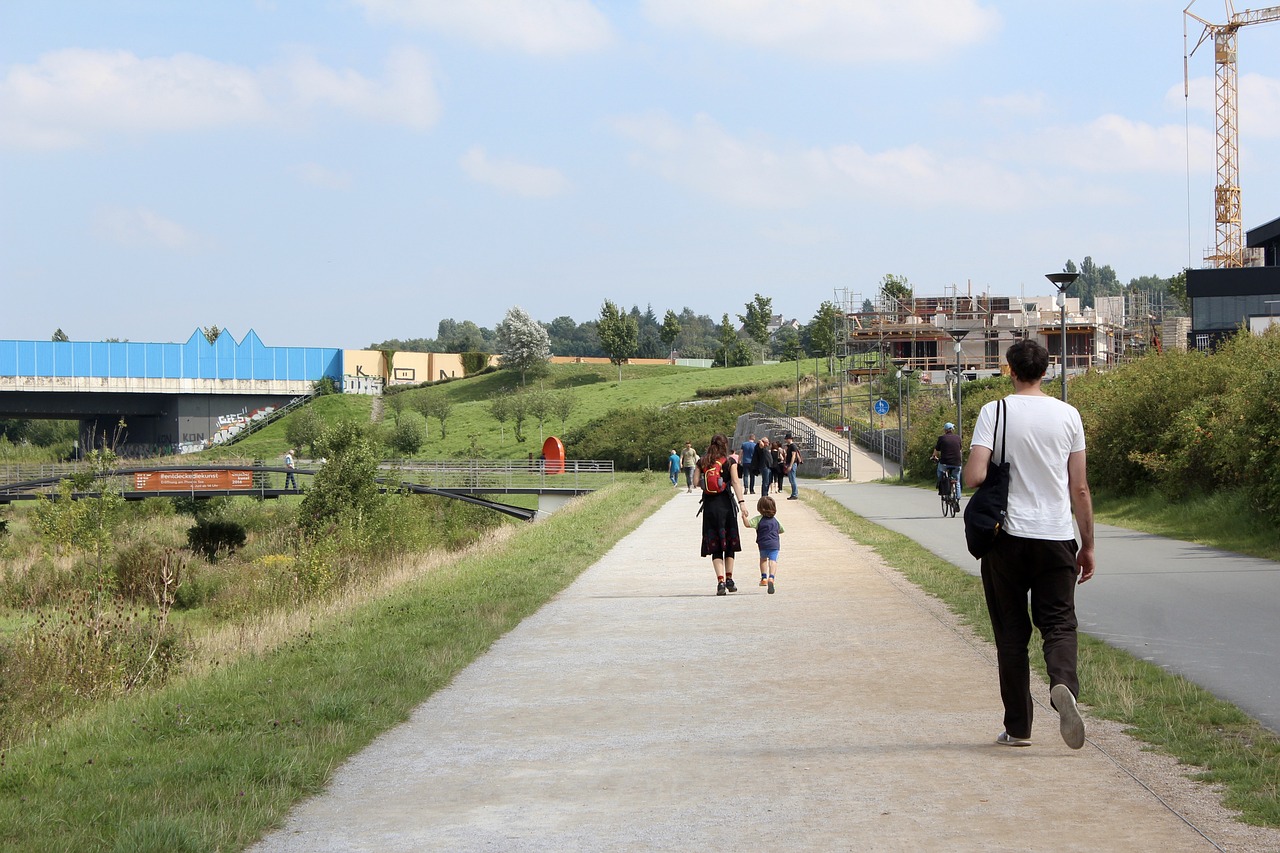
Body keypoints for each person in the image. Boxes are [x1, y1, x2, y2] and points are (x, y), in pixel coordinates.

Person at [962, 338, 1095, 750]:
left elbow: (974, 476)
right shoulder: (1069, 415)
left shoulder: (995, 412)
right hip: (1056, 536)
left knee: (1012, 633)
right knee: (1058, 623)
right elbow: (1080, 488)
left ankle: (1018, 727)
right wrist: (1087, 545)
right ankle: (1062, 684)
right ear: (1047, 369)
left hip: (1007, 537)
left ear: (1010, 369)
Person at [694, 433, 751, 596]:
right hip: (726, 506)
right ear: (725, 445)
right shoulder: (730, 462)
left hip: (710, 507)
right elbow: (735, 482)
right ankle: (730, 579)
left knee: (716, 546)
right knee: (729, 544)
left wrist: (708, 481)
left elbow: (695, 482)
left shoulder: (702, 462)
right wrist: (742, 503)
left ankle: (720, 582)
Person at [745, 495, 785, 594]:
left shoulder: (758, 519)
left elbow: (747, 524)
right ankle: (771, 578)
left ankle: (764, 578)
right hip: (774, 544)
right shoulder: (776, 520)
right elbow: (781, 530)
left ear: (759, 508)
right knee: (773, 560)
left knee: (763, 559)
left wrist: (743, 517)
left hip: (762, 544)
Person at [931, 422, 963, 502]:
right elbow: (960, 450)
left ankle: (941, 484)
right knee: (957, 480)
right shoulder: (958, 438)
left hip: (945, 463)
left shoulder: (941, 438)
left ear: (945, 430)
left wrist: (934, 457)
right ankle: (957, 498)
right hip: (957, 463)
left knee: (940, 470)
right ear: (952, 429)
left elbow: (936, 450)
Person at [782, 433, 803, 500]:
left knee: (792, 479)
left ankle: (795, 494)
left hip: (792, 464)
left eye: (787, 439)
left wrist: (790, 466)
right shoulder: (789, 446)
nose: (786, 440)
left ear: (790, 439)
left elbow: (793, 456)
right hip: (789, 463)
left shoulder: (793, 446)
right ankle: (793, 494)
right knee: (791, 480)